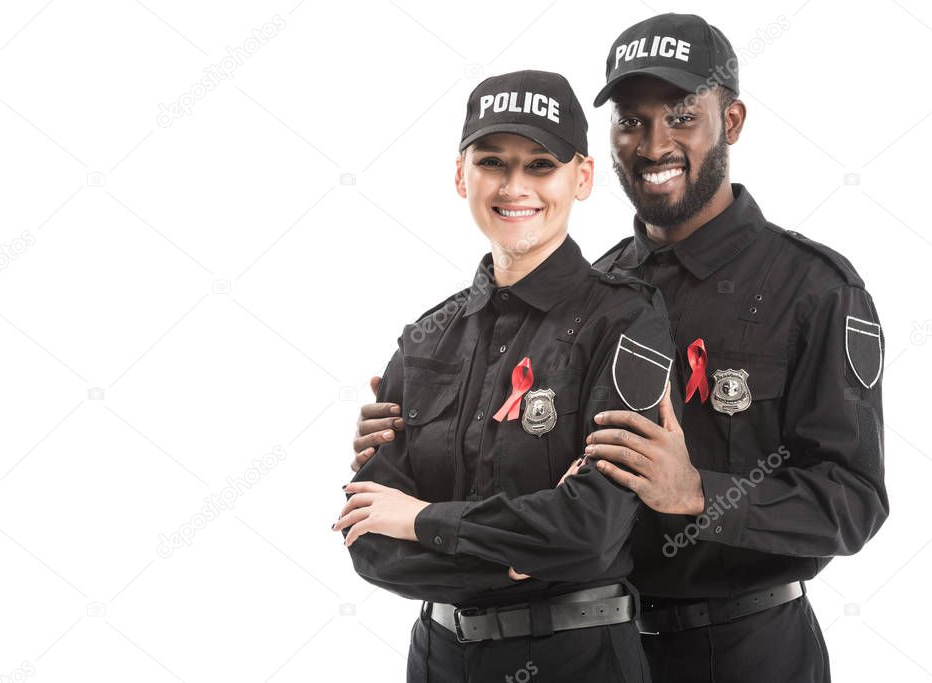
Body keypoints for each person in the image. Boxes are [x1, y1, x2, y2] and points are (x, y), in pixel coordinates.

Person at [351, 15, 888, 683]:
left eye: (681, 116)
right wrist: (424, 441)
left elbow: (854, 502)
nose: (653, 142)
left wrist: (698, 493)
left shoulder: (810, 288)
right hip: (588, 644)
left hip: (745, 649)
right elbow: (530, 485)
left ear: (733, 121)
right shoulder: (588, 292)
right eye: (631, 121)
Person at [333, 69, 677, 682]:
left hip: (576, 658)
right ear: (462, 175)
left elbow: (591, 532)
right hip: (438, 659)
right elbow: (367, 538)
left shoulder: (626, 317)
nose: (515, 186)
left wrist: (419, 519)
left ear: (583, 177)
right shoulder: (425, 338)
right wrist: (514, 558)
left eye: (541, 164)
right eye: (494, 161)